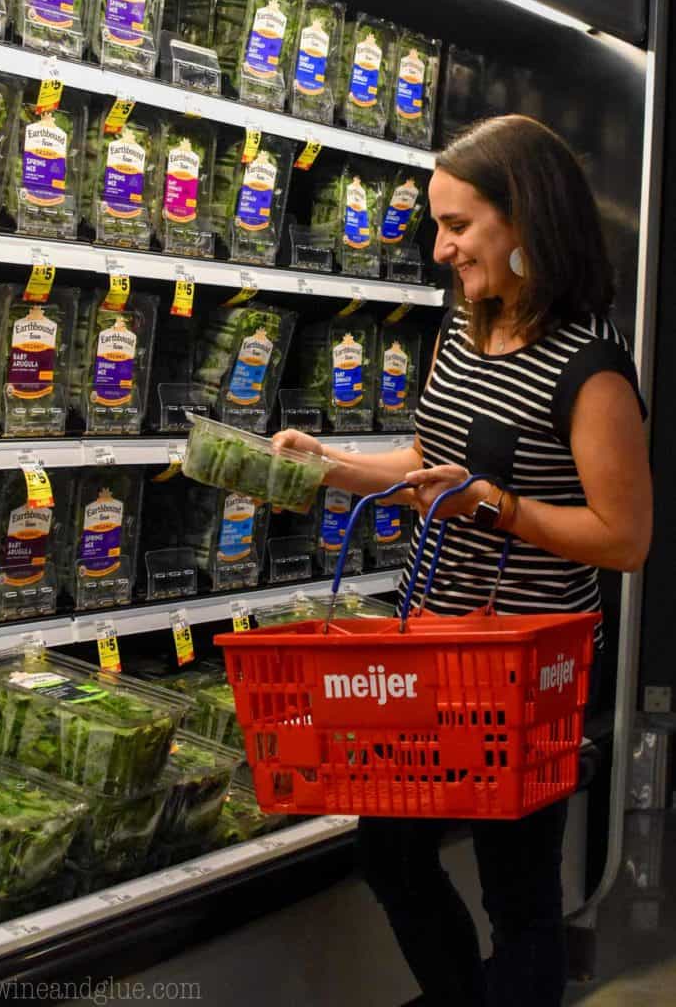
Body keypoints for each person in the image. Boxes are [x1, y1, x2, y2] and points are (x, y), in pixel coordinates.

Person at [273, 114, 652, 1006]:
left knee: (516, 890)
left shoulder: (589, 368)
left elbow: (623, 538)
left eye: (457, 226)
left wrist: (498, 506)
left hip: (526, 665)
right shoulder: (464, 332)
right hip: (433, 646)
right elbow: (429, 462)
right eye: (437, 226)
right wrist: (325, 468)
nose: (440, 248)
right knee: (391, 853)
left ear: (523, 219)